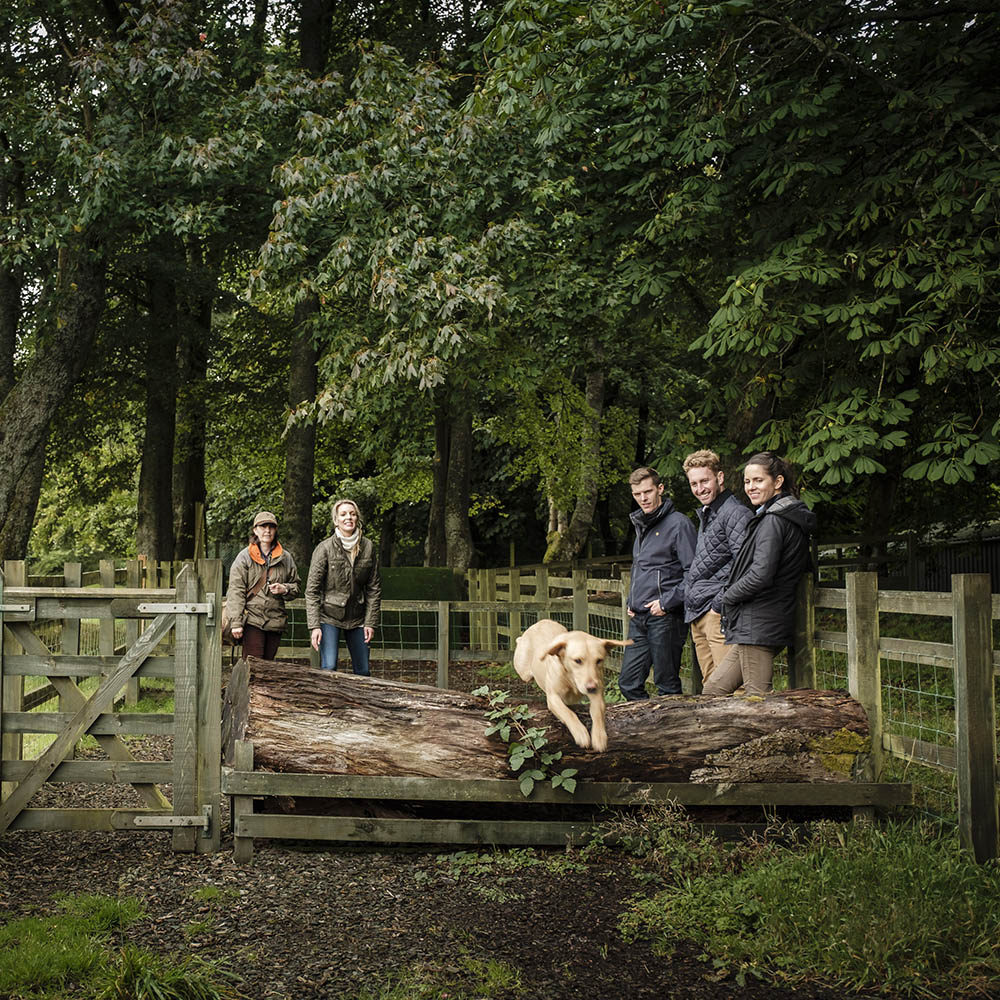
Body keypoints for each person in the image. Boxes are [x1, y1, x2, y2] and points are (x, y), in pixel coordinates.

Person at [702, 452, 816, 697]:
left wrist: (726, 597)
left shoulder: (775, 520)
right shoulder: (775, 516)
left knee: (757, 702)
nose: (751, 487)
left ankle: (774, 736)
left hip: (761, 621)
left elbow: (761, 575)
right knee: (713, 690)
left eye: (758, 480)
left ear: (777, 482)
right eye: (747, 481)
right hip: (754, 622)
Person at [619, 466, 697, 700]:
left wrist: (666, 603)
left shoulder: (679, 525)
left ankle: (674, 734)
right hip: (639, 618)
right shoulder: (642, 526)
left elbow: (693, 573)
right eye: (637, 494)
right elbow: (644, 570)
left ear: (660, 489)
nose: (643, 498)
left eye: (648, 492)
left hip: (665, 617)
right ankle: (649, 730)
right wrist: (632, 601)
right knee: (628, 684)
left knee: (667, 685)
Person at [682, 450, 753, 684]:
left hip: (717, 614)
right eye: (694, 483)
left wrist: (718, 606)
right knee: (711, 686)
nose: (700, 489)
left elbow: (745, 566)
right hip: (698, 612)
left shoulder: (734, 513)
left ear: (719, 478)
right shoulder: (709, 514)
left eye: (705, 481)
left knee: (731, 688)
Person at [306, 498, 382, 675]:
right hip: (329, 617)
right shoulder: (324, 548)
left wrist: (370, 623)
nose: (348, 517)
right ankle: (329, 703)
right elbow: (311, 591)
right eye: (343, 514)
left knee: (363, 671)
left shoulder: (368, 547)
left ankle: (362, 703)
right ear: (336, 520)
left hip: (358, 618)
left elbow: (374, 589)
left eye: (352, 514)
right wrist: (314, 626)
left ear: (357, 518)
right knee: (329, 667)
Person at [225, 511, 300, 660]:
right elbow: (236, 591)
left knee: (268, 667)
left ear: (276, 530)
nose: (267, 531)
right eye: (263, 526)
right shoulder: (244, 557)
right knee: (253, 666)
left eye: (271, 527)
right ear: (255, 530)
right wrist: (236, 623)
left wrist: (284, 589)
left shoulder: (286, 558)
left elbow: (296, 586)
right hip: (252, 618)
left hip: (276, 620)